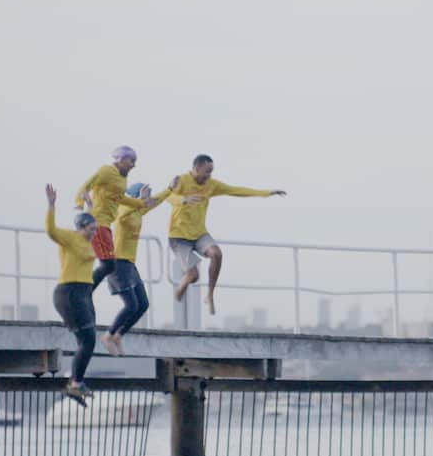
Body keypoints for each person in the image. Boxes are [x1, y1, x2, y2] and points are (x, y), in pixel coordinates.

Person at [169, 154, 286, 316]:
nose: (209, 176)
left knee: (216, 254)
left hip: (199, 234)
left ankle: (210, 295)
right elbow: (169, 196)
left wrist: (266, 193)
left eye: (211, 172)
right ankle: (182, 286)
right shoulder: (181, 180)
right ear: (196, 168)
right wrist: (184, 200)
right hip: (179, 237)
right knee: (193, 275)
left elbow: (236, 190)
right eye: (206, 172)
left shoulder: (211, 185)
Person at [103, 175, 196, 355]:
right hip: (118, 263)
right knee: (131, 306)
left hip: (130, 264)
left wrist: (169, 189)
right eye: (144, 197)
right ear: (136, 196)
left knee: (143, 304)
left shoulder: (138, 211)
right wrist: (139, 199)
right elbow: (122, 213)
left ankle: (118, 335)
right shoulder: (124, 210)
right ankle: (108, 335)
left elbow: (156, 201)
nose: (147, 201)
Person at [44, 183, 98, 406]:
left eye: (95, 230)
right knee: (89, 339)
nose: (94, 233)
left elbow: (90, 219)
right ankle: (75, 383)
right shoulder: (70, 237)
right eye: (90, 230)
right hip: (69, 292)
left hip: (83, 292)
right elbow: (51, 231)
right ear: (80, 227)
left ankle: (75, 384)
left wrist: (90, 205)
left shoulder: (85, 238)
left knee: (86, 340)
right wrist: (51, 205)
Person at [74, 146, 154, 292]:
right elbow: (86, 186)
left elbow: (120, 198)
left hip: (106, 225)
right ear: (121, 159)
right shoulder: (106, 171)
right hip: (97, 223)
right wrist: (79, 205)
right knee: (109, 264)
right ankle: (83, 290)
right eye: (131, 161)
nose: (134, 165)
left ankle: (85, 290)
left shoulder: (122, 179)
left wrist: (141, 203)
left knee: (109, 264)